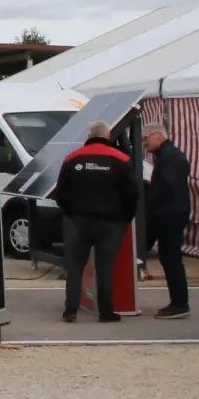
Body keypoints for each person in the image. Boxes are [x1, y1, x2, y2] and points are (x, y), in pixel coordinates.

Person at [53, 121, 139, 324]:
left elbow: (61, 192)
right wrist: (125, 218)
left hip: (79, 222)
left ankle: (70, 310)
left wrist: (72, 214)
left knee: (75, 267)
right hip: (111, 223)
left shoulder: (72, 158)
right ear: (108, 136)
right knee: (105, 267)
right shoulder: (121, 159)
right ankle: (106, 312)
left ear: (89, 136)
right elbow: (132, 194)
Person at [144, 125, 192, 320]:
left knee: (171, 258)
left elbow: (166, 186)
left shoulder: (170, 156)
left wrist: (149, 201)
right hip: (170, 212)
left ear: (159, 136)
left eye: (146, 138)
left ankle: (180, 303)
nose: (144, 143)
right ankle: (178, 302)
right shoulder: (166, 155)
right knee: (167, 257)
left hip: (170, 214)